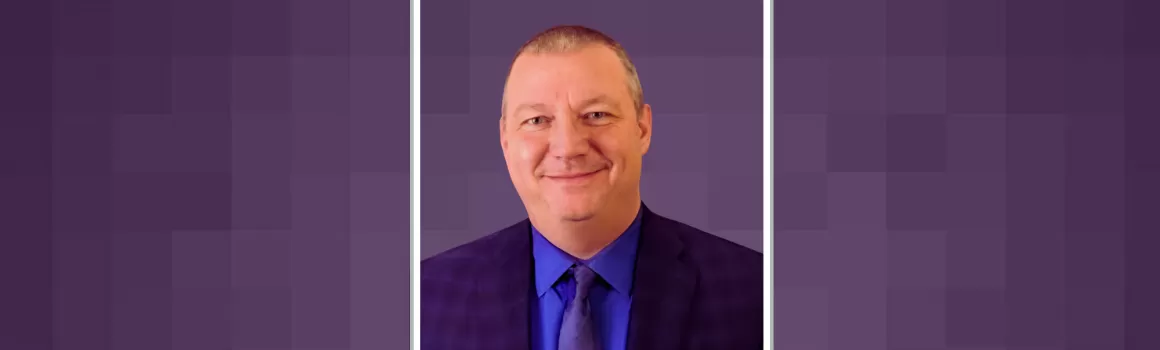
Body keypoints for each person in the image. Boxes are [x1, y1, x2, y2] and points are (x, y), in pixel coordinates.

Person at [421, 25, 762, 350]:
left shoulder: (755, 292)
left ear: (642, 129)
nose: (568, 147)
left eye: (596, 115)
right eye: (537, 121)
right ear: (505, 141)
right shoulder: (426, 297)